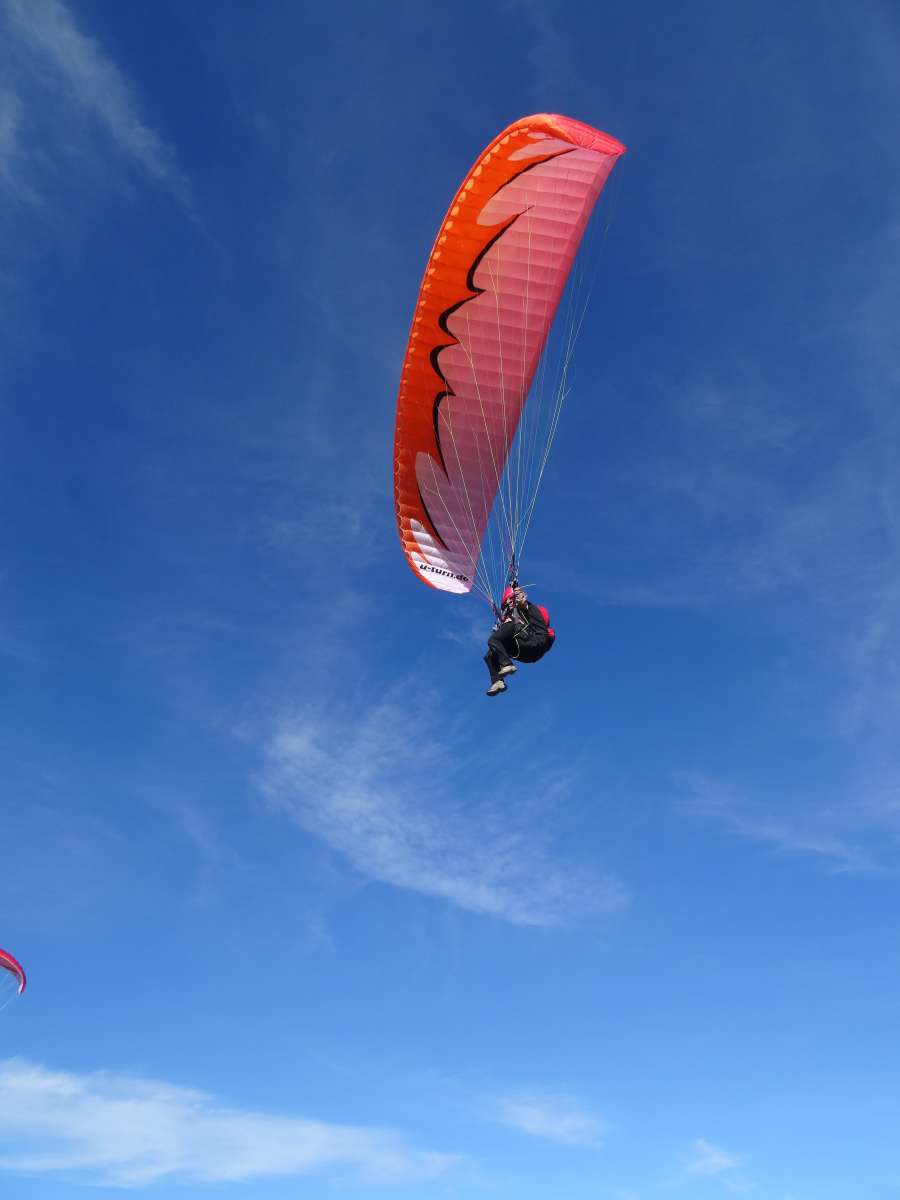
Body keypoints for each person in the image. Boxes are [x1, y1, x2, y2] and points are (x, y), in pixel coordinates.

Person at [484, 586, 555, 696]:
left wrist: (523, 603)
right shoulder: (513, 616)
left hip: (536, 640)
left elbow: (526, 612)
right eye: (506, 605)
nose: (508, 605)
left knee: (495, 638)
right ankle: (497, 681)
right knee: (490, 653)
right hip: (525, 653)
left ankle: (507, 664)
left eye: (510, 602)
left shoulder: (527, 610)